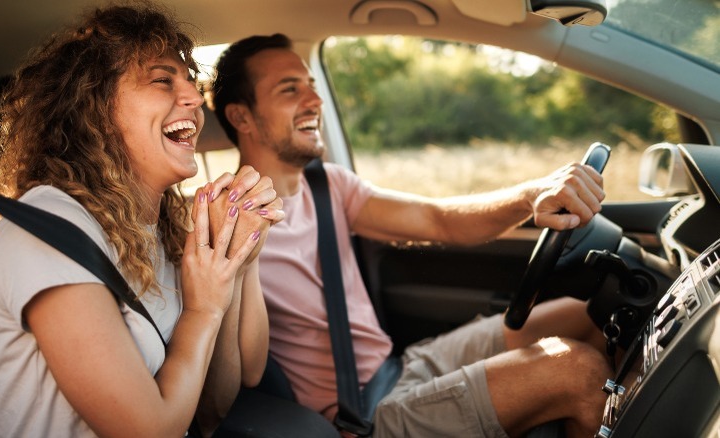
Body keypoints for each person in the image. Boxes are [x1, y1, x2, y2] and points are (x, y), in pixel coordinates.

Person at [210, 33, 613, 437]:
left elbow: (439, 221)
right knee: (578, 370)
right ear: (242, 117)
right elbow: (239, 366)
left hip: (402, 365)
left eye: (312, 85)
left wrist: (529, 197)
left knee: (588, 315)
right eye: (289, 89)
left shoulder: (327, 185)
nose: (313, 101)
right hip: (362, 415)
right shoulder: (226, 222)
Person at [0, 4, 283, 438]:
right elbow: (149, 431)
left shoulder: (166, 227)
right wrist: (202, 307)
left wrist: (236, 254)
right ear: (94, 108)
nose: (196, 97)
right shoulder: (47, 227)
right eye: (162, 80)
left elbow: (219, 403)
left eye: (191, 81)